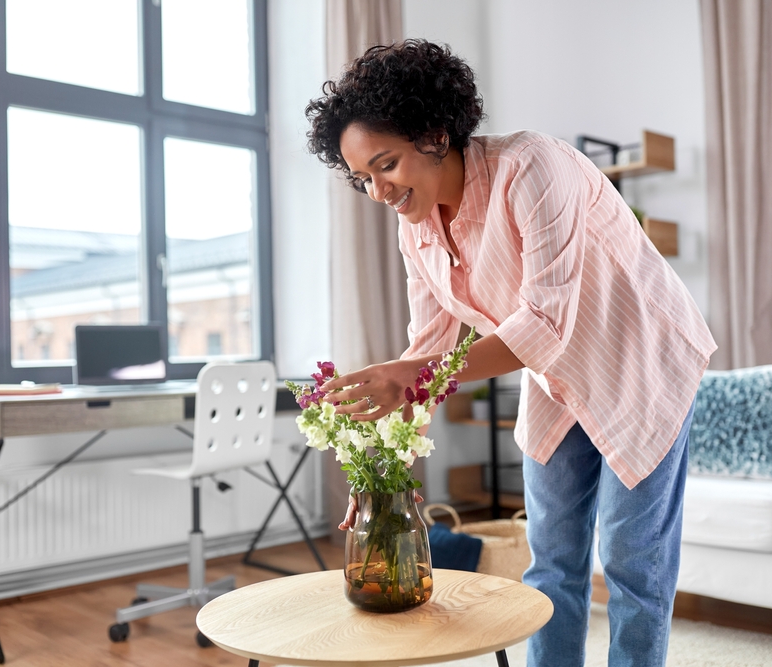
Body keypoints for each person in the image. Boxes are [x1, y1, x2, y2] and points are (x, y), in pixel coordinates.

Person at [306, 39, 716, 667]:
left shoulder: (532, 168)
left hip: (640, 363)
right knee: (551, 562)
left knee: (634, 567)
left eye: (385, 164)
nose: (378, 191)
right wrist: (384, 471)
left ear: (435, 133)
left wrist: (410, 379)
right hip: (555, 382)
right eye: (363, 178)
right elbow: (431, 347)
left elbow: (543, 323)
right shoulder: (414, 227)